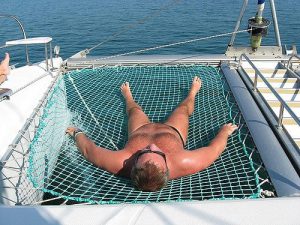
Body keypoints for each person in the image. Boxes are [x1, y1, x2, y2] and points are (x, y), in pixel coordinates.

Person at [66, 76, 238, 192]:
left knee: (133, 110)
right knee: (183, 110)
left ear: (133, 165)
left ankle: (128, 96)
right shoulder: (185, 163)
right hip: (172, 131)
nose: (152, 146)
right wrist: (224, 132)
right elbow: (214, 150)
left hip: (139, 131)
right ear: (167, 167)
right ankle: (193, 92)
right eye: (157, 153)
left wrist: (77, 132)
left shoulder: (120, 163)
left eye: (144, 152)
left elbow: (89, 151)